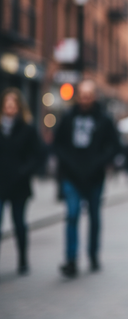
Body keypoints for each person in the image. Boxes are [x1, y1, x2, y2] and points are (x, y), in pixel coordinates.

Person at [53, 80, 120, 278]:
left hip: (95, 177)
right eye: (82, 94)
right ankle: (71, 259)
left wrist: (99, 162)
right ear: (77, 96)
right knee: (72, 215)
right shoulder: (68, 117)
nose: (85, 98)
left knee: (93, 216)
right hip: (72, 177)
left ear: (94, 96)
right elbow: (58, 144)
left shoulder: (104, 119)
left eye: (88, 94)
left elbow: (114, 145)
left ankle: (93, 254)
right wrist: (68, 163)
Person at [0, 88, 43, 275]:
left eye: (13, 104)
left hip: (19, 184)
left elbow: (39, 154)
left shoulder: (27, 128)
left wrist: (25, 171)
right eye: (6, 104)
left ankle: (23, 260)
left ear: (19, 106)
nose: (9, 107)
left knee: (19, 223)